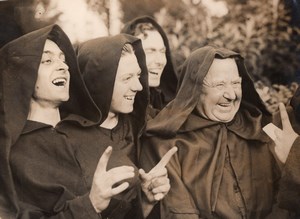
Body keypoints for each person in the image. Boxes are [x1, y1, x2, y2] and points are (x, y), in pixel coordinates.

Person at [140, 45, 293, 218]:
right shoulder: (164, 144)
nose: (231, 95)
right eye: (219, 84)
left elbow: (287, 199)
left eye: (236, 83)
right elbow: (180, 213)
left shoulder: (263, 131)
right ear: (194, 90)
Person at [1, 24, 131, 218]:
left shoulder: (90, 132)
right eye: (47, 60)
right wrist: (90, 205)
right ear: (22, 75)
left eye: (63, 59)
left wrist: (147, 199)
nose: (64, 66)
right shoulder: (9, 154)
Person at [71, 34, 176, 219]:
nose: (139, 86)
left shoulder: (140, 127)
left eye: (138, 75)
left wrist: (147, 201)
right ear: (99, 83)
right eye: (127, 78)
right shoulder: (66, 138)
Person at [121, 16, 178, 116]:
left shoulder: (164, 102)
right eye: (150, 51)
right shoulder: (120, 106)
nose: (160, 61)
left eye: (162, 51)